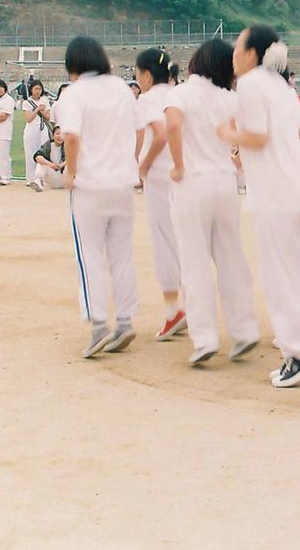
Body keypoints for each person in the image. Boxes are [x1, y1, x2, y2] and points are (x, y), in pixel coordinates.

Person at [219, 26, 300, 388]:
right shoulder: (279, 85)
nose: (233, 53)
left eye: (237, 46)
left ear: (251, 53)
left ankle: (299, 353)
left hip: (277, 195)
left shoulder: (250, 85)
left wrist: (227, 134)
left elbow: (257, 136)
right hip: (298, 190)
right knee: (292, 269)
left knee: (281, 275)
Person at [165, 39, 260, 367]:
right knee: (231, 257)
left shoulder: (180, 93)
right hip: (224, 182)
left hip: (192, 183)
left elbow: (173, 125)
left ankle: (205, 338)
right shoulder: (229, 98)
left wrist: (177, 165)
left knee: (194, 263)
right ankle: (244, 328)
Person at [57, 36, 145, 359]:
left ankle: (98, 325)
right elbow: (141, 130)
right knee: (121, 254)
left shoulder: (75, 93)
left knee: (89, 255)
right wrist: (130, 162)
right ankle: (124, 320)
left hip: (90, 187)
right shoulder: (122, 89)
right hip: (122, 185)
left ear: (73, 65)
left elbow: (71, 136)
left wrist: (71, 173)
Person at [135, 47, 184, 341]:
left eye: (138, 73)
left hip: (161, 177)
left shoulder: (148, 98)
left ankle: (172, 310)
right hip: (183, 174)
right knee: (184, 239)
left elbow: (161, 133)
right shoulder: (180, 94)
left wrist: (144, 164)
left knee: (164, 241)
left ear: (148, 75)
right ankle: (190, 307)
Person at [20, 79, 52, 186]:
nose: (38, 91)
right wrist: (37, 109)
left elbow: (48, 117)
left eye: (39, 89)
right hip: (31, 129)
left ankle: (42, 178)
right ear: (31, 90)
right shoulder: (27, 102)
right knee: (30, 153)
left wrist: (43, 111)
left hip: (43, 129)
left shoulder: (45, 100)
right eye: (36, 89)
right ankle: (31, 178)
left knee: (43, 153)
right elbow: (29, 118)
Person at [29, 125, 66, 191]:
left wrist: (61, 165)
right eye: (57, 134)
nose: (60, 136)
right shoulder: (48, 145)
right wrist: (51, 165)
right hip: (52, 178)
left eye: (62, 134)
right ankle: (38, 182)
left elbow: (74, 159)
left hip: (65, 178)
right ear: (53, 135)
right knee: (41, 163)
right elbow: (37, 157)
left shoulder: (67, 146)